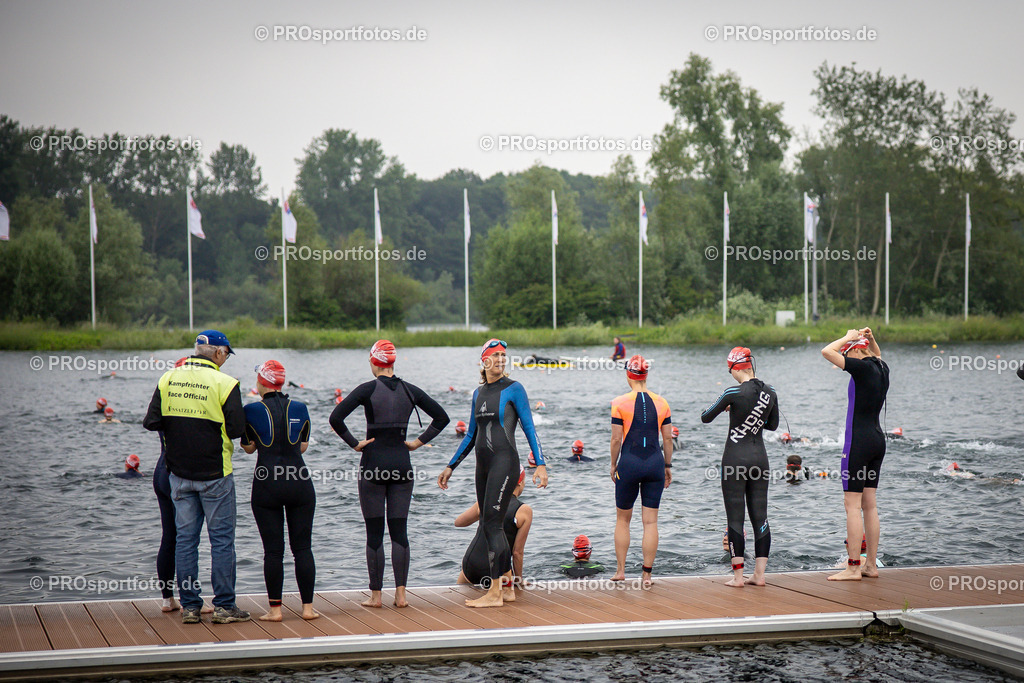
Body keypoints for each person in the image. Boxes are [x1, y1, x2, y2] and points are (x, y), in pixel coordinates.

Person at [331, 340, 450, 609]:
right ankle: (402, 596)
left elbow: (336, 418)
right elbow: (441, 418)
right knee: (400, 532)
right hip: (402, 465)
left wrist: (355, 443)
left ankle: (375, 597)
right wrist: (417, 442)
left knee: (374, 533)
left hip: (373, 465)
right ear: (393, 362)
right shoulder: (410, 391)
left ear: (374, 362)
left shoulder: (366, 389)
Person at [143, 330, 249, 624]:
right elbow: (238, 430)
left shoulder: (168, 378)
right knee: (222, 542)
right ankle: (225, 607)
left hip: (177, 473)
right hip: (216, 474)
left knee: (186, 541)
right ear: (217, 353)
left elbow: (152, 422)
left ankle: (190, 607)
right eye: (227, 352)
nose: (226, 358)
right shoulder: (226, 383)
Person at [438, 338, 548, 608]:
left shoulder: (514, 389)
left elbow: (529, 428)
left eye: (504, 355)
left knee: (493, 525)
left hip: (505, 461)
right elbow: (471, 436)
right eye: (495, 355)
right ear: (484, 360)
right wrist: (451, 466)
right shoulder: (478, 394)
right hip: (483, 466)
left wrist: (541, 464)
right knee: (488, 524)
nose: (501, 359)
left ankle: (496, 593)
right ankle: (508, 588)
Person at [241, 360, 318, 622]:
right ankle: (308, 609)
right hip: (299, 482)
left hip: (267, 483)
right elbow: (303, 446)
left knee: (273, 551)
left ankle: (275, 610)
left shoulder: (250, 410)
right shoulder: (300, 408)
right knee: (303, 548)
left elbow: (249, 448)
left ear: (262, 382)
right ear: (282, 382)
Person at [701, 347, 779, 587]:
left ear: (736, 367)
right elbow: (773, 425)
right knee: (760, 517)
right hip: (760, 459)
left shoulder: (733, 392)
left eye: (729, 370)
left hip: (734, 460)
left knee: (735, 518)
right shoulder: (770, 392)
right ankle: (760, 575)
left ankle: (737, 577)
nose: (730, 375)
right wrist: (752, 419)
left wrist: (731, 409)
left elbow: (705, 416)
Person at [821, 327, 889, 582]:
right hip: (877, 441)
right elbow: (877, 353)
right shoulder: (882, 368)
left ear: (855, 352)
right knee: (869, 504)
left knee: (852, 506)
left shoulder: (860, 369)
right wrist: (870, 339)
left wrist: (848, 337)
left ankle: (852, 568)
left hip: (858, 444)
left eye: (849, 353)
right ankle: (870, 564)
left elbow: (827, 351)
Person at [153, 357, 213, 615]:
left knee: (170, 536)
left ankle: (168, 599)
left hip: (161, 471)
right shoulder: (190, 402)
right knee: (190, 539)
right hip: (180, 473)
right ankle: (192, 599)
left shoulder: (165, 398)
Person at [610, 355, 672, 589]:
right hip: (655, 463)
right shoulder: (662, 402)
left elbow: (617, 439)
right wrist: (667, 466)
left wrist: (613, 464)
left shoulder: (619, 402)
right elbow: (667, 438)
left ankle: (621, 571)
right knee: (650, 522)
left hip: (629, 463)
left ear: (629, 375)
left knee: (623, 519)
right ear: (646, 375)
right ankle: (646, 575)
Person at [456, 467, 533, 587]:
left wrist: (481, 512)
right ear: (520, 482)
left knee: (458, 597)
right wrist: (518, 580)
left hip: (471, 564)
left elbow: (459, 523)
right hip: (497, 570)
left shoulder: (485, 501)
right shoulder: (524, 510)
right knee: (507, 601)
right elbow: (517, 552)